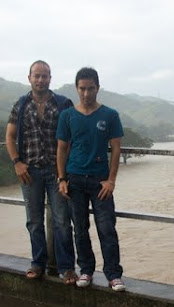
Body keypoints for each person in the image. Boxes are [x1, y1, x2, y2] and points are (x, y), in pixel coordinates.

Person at [5, 60, 77, 285]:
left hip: (57, 172)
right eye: (37, 75)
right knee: (34, 220)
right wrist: (17, 162)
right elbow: (9, 136)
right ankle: (38, 263)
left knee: (62, 220)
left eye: (45, 76)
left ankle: (67, 268)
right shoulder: (21, 104)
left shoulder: (63, 104)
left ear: (50, 79)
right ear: (29, 78)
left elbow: (72, 137)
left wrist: (65, 171)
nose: (41, 79)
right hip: (30, 171)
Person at [56, 67, 126, 291]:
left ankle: (113, 274)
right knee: (80, 229)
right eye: (82, 89)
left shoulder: (110, 115)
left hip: (100, 182)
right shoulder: (67, 116)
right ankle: (85, 270)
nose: (86, 94)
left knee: (106, 228)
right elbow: (61, 149)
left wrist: (111, 180)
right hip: (74, 179)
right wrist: (61, 179)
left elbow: (116, 149)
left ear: (98, 88)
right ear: (77, 89)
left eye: (91, 89)